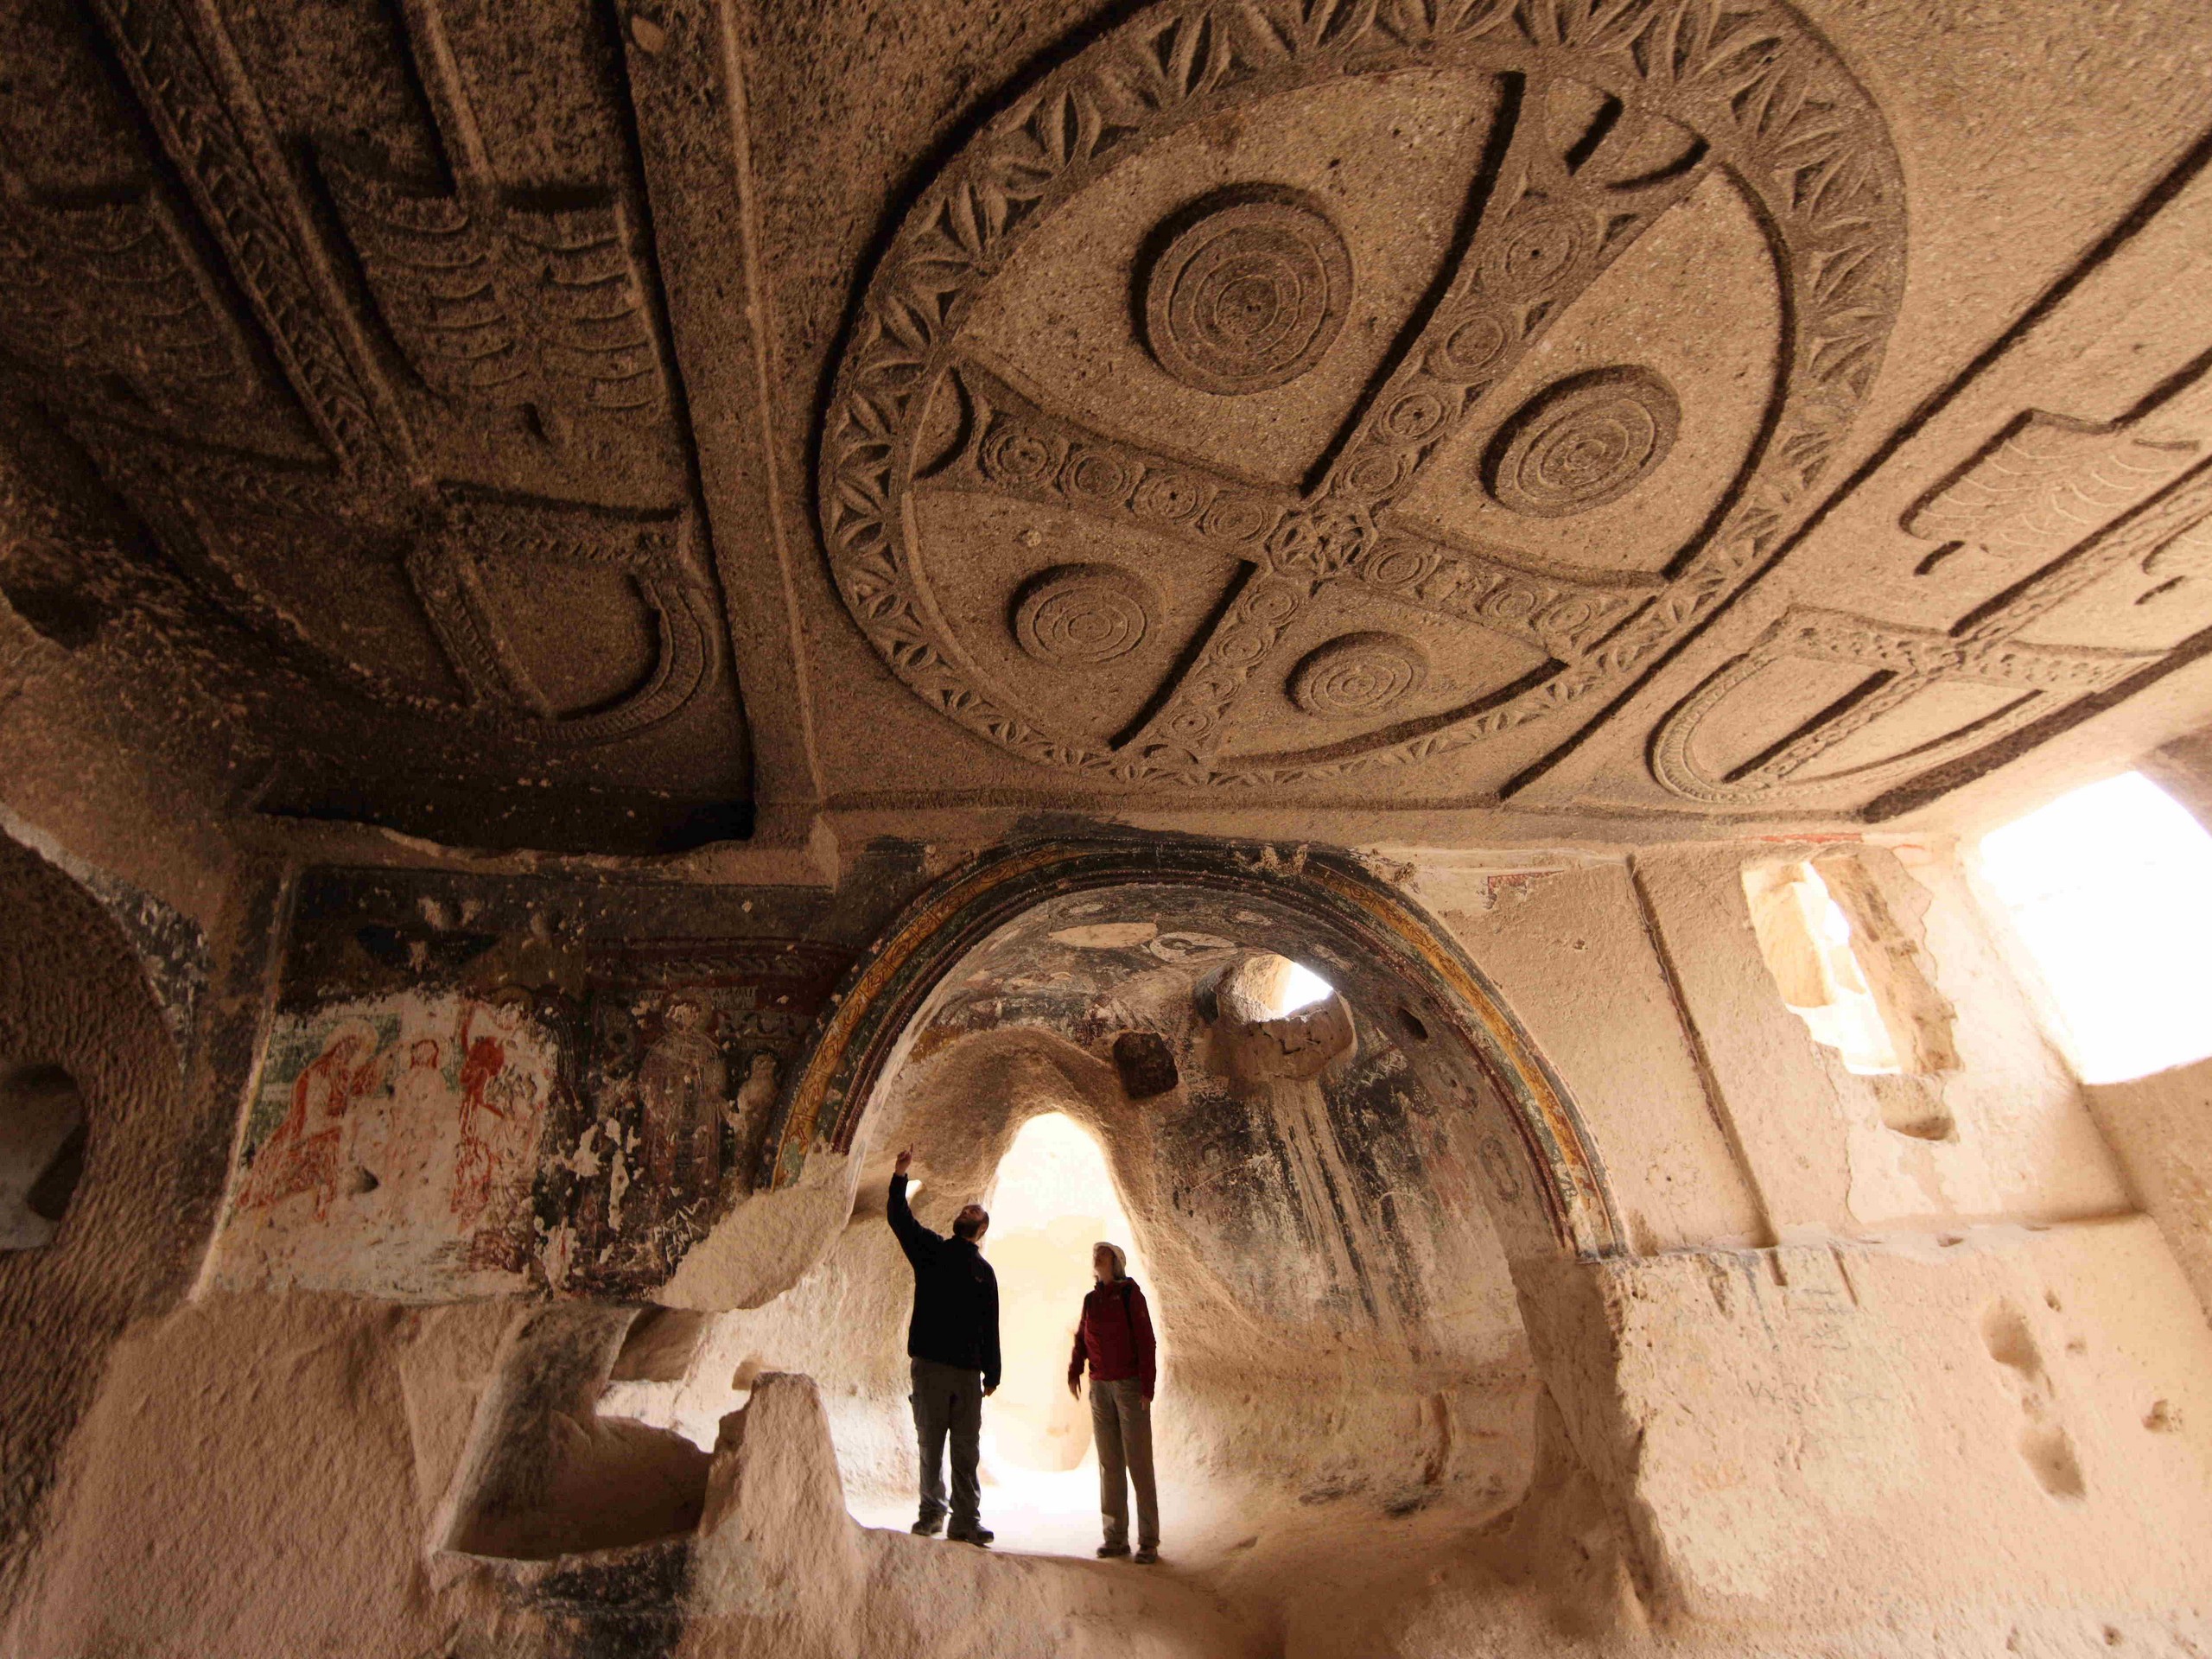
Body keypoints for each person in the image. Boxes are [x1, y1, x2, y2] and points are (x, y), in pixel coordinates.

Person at [887, 1147, 1001, 1545]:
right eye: (966, 1210)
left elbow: (991, 1325)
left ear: (981, 1229)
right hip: (931, 1366)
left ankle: (966, 1521)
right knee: (930, 1444)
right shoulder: (932, 1250)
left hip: (969, 1373)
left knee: (966, 1450)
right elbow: (900, 1220)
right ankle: (931, 1513)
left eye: (975, 1213)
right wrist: (901, 1175)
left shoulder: (985, 1273)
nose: (968, 1213)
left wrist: (994, 1372)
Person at [1067, 1241, 1160, 1563]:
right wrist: (1075, 1369)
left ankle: (1148, 1541)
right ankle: (1115, 1537)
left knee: (1138, 1461)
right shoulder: (1092, 1299)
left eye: (1104, 1253)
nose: (1097, 1256)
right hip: (1100, 1387)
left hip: (1128, 1386)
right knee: (1109, 1464)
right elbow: (1082, 1337)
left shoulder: (1130, 1295)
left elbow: (1146, 1340)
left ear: (1117, 1262)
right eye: (1096, 1253)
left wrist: (1146, 1386)